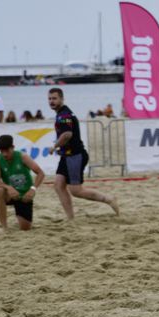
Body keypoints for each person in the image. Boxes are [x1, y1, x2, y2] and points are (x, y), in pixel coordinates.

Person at [48, 87, 119, 219]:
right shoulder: (61, 113)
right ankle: (70, 218)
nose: (51, 101)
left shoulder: (64, 115)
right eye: (50, 99)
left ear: (62, 99)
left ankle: (109, 199)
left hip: (75, 156)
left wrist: (54, 146)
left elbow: (67, 134)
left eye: (54, 98)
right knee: (58, 186)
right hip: (67, 155)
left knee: (76, 191)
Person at [0, 134, 45, 231]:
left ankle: (22, 218)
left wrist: (33, 189)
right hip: (10, 194)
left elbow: (40, 173)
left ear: (13, 147)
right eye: (2, 151)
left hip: (25, 196)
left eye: (7, 150)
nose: (4, 154)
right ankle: (4, 228)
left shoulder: (22, 156)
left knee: (25, 228)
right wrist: (9, 187)